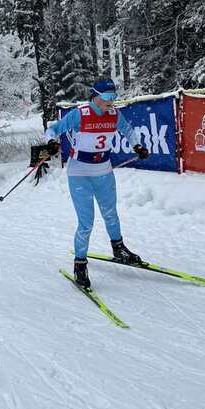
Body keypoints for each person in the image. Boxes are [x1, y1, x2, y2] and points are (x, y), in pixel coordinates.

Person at [43, 77, 150, 289]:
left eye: (114, 96)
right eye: (108, 97)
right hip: (79, 172)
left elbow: (128, 131)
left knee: (110, 213)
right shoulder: (80, 114)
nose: (112, 101)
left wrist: (137, 146)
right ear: (96, 96)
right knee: (86, 222)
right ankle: (80, 264)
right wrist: (52, 142)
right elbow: (53, 129)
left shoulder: (114, 114)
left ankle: (118, 248)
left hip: (104, 170)